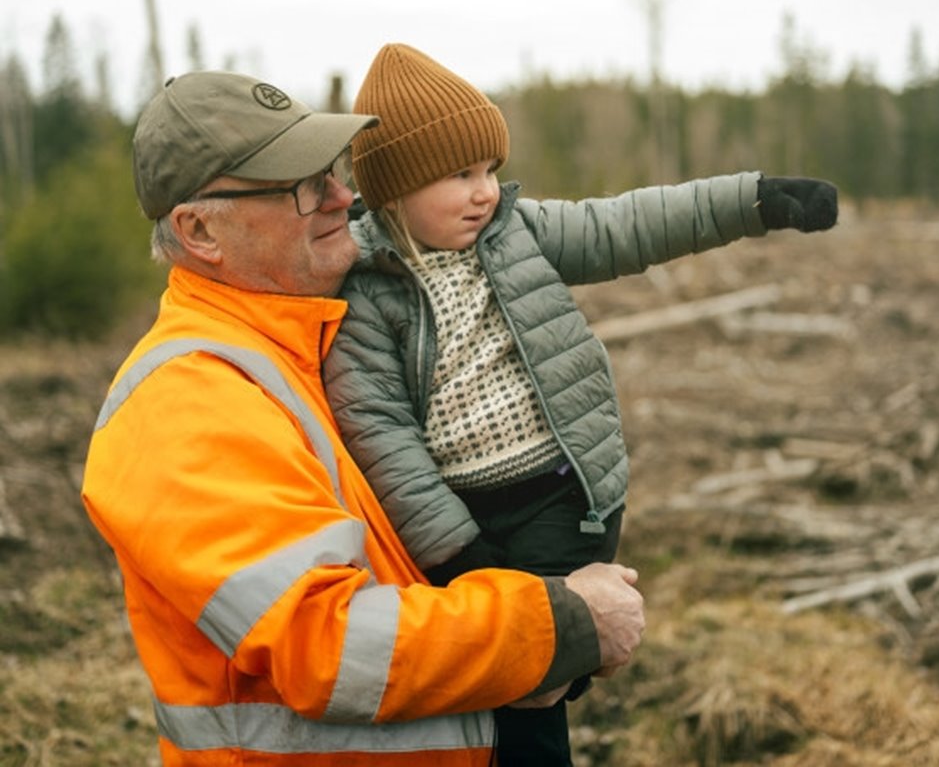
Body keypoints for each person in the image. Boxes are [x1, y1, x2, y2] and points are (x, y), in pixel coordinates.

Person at [80, 70, 646, 767]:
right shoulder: (187, 403)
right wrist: (559, 623)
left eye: (334, 173)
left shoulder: (308, 354)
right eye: (304, 187)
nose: (346, 198)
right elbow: (329, 645)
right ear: (201, 230)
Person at [323, 43, 839, 766]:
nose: (486, 191)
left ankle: (563, 661)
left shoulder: (515, 233)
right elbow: (382, 438)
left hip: (561, 500)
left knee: (524, 694)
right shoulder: (366, 291)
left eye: (492, 170)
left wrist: (754, 199)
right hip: (463, 524)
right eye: (461, 174)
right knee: (492, 690)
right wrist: (460, 554)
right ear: (395, 190)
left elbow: (627, 224)